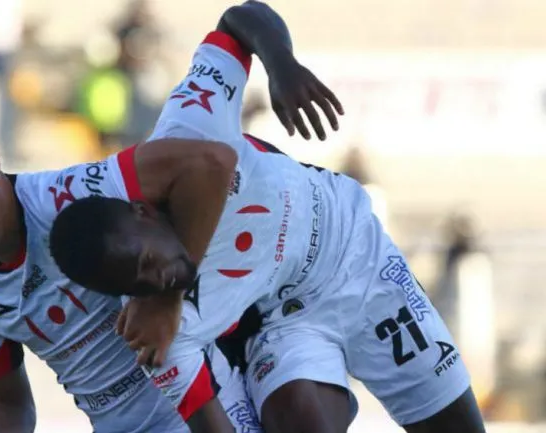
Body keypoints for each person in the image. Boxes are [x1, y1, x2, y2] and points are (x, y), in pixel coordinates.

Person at [0, 4, 342, 433]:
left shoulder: (80, 195)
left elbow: (208, 161)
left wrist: (168, 297)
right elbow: (6, 401)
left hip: (215, 401)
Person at [48, 2, 487, 433]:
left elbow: (242, 16)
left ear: (143, 212)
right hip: (284, 321)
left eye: (147, 260)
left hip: (357, 256)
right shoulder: (158, 327)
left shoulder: (189, 131)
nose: (159, 278)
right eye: (138, 284)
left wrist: (281, 64)